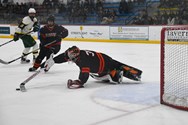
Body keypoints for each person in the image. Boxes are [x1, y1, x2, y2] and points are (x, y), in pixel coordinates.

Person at [43, 46, 143, 89]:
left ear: (75, 56)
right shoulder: (77, 53)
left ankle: (114, 75)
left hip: (103, 65)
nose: (68, 58)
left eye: (70, 57)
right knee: (117, 64)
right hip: (103, 57)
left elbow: (84, 75)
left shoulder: (83, 61)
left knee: (105, 73)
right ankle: (135, 73)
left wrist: (79, 82)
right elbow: (65, 56)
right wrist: (54, 60)